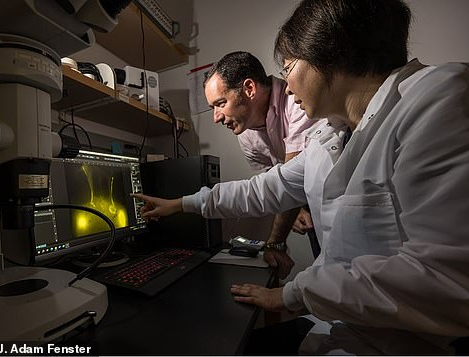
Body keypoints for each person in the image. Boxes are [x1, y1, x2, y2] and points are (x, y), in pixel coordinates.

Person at [133, 0, 469, 353]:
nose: (287, 86)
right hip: (346, 327)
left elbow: (449, 282)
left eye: (289, 67)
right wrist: (181, 204)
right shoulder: (329, 139)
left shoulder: (436, 99)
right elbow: (263, 189)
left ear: (331, 56)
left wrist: (293, 293)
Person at [203, 51, 315, 278]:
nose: (216, 117)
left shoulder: (296, 101)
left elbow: (289, 182)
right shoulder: (245, 133)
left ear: (249, 89)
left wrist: (275, 243)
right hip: (304, 198)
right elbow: (272, 181)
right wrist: (299, 208)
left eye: (220, 103)